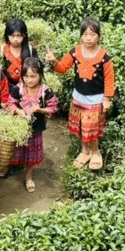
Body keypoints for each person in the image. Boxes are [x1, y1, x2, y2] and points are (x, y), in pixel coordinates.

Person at [47, 17, 115, 171]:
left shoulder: (105, 58)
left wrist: (107, 99)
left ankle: (96, 152)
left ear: (99, 36)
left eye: (92, 34)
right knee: (81, 126)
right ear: (80, 36)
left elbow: (110, 80)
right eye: (85, 34)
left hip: (95, 100)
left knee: (92, 128)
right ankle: (85, 151)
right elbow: (63, 68)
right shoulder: (75, 52)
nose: (88, 38)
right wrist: (53, 61)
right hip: (78, 97)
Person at [6, 56, 59, 193]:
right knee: (16, 150)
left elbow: (53, 108)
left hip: (36, 129)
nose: (29, 80)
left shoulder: (45, 92)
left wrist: (40, 109)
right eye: (26, 76)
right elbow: (10, 104)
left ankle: (29, 176)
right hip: (19, 129)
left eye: (33, 76)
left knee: (31, 153)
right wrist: (18, 111)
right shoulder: (18, 89)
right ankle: (12, 168)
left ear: (40, 75)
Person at [0, 18, 39, 92]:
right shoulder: (2, 50)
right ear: (7, 35)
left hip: (27, 87)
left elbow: (36, 70)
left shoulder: (30, 50)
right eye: (12, 35)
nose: (15, 39)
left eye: (18, 35)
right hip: (7, 87)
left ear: (24, 35)